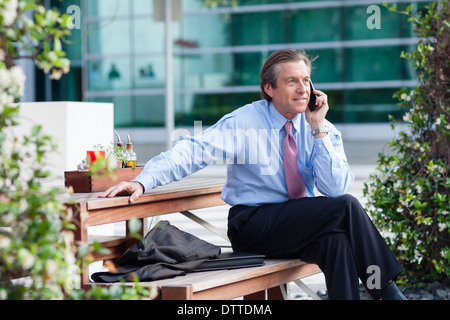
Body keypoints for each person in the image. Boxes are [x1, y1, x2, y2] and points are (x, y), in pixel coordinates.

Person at [100, 49, 406, 300]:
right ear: (269, 89)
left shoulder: (319, 126)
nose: (303, 89)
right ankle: (388, 293)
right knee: (347, 208)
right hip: (254, 225)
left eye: (306, 80)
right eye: (291, 82)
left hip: (299, 227)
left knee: (337, 240)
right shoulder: (244, 122)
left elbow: (336, 187)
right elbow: (191, 151)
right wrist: (143, 179)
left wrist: (317, 129)